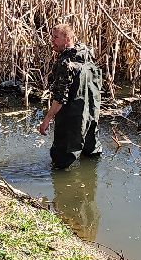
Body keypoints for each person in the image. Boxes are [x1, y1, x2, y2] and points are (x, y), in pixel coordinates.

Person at [37, 22, 103, 170]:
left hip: (73, 117)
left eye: (56, 37)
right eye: (52, 37)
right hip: (92, 113)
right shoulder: (86, 53)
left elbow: (60, 97)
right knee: (91, 154)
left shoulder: (65, 63)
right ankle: (89, 184)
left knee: (61, 160)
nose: (52, 41)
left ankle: (63, 188)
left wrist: (47, 119)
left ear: (67, 39)